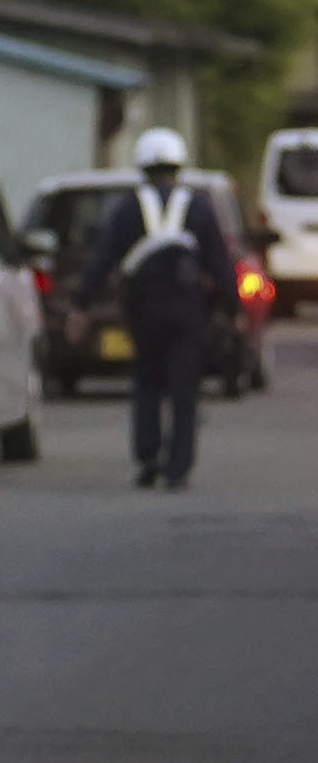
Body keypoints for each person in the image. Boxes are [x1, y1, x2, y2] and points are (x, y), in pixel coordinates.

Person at [75, 125, 237, 491]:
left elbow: (102, 260)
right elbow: (219, 261)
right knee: (184, 388)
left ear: (142, 166)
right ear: (178, 165)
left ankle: (147, 457)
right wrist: (233, 307)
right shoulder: (198, 206)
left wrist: (82, 304)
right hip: (187, 308)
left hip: (144, 308)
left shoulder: (126, 209)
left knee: (147, 381)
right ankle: (177, 467)